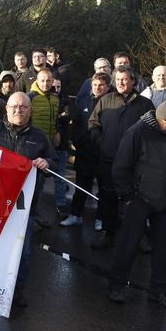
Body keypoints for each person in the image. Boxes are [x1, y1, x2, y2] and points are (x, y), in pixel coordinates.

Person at [0, 92, 52, 307]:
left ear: (30, 110)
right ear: (6, 109)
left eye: (23, 107)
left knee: (22, 253)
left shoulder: (40, 136)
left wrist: (46, 163)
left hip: (23, 209)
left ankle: (17, 291)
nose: (18, 110)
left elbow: (51, 164)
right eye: (14, 106)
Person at [107, 99, 166, 307]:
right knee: (128, 244)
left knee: (164, 248)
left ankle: (159, 290)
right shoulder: (137, 132)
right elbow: (121, 167)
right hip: (139, 198)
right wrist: (127, 197)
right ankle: (117, 286)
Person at [87, 67, 150, 249]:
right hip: (108, 160)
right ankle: (108, 232)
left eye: (125, 79)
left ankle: (140, 236)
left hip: (135, 163)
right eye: (118, 79)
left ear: (133, 82)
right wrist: (101, 142)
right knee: (108, 198)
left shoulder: (145, 104)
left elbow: (152, 130)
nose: (121, 83)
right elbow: (93, 123)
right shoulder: (106, 100)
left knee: (137, 201)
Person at [62, 71, 110, 227]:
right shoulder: (82, 102)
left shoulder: (113, 103)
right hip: (84, 152)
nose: (98, 88)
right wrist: (77, 141)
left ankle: (101, 218)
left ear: (108, 86)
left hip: (104, 154)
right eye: (95, 85)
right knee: (81, 186)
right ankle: (76, 214)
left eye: (101, 85)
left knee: (104, 188)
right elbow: (75, 125)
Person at [28, 68, 68, 221]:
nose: (45, 83)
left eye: (48, 81)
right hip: (34, 144)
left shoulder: (55, 99)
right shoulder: (30, 97)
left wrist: (57, 131)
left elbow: (54, 119)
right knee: (35, 183)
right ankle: (33, 215)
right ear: (37, 81)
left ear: (53, 82)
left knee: (47, 177)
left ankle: (41, 212)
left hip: (50, 144)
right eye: (42, 80)